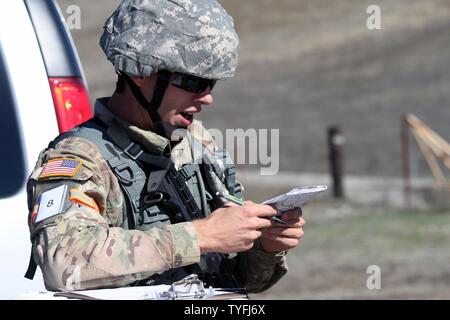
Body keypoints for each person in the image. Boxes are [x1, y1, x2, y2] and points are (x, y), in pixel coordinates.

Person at [25, 0, 305, 293]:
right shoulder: (78, 159)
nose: (207, 97)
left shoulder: (197, 144)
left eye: (211, 84)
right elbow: (64, 265)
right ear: (140, 72)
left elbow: (234, 279)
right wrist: (200, 236)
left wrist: (265, 245)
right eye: (193, 82)